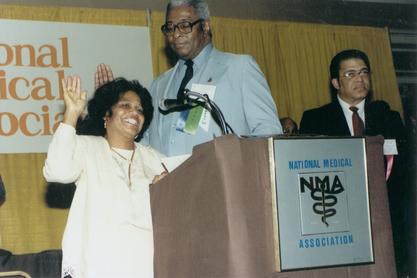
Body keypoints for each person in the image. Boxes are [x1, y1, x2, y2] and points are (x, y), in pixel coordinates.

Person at [96, 0, 282, 156]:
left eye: (184, 26)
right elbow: (141, 145)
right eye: (170, 28)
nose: (176, 34)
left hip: (224, 189)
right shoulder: (158, 85)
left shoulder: (239, 68)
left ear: (205, 25)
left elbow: (269, 135)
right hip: (169, 192)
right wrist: (109, 105)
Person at [43, 76, 166, 278]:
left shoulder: (156, 161)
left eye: (140, 109)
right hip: (97, 265)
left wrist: (168, 190)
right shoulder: (86, 147)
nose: (134, 112)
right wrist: (72, 114)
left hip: (146, 266)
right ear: (106, 115)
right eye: (125, 105)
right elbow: (57, 171)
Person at [299, 48, 408, 276]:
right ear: (336, 83)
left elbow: (405, 173)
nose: (360, 79)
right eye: (350, 74)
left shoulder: (389, 117)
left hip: (386, 220)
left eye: (364, 72)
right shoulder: (315, 119)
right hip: (339, 222)